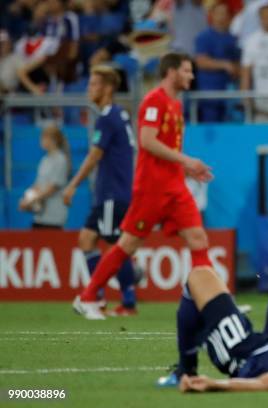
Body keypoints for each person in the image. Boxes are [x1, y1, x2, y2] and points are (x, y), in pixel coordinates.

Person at [72, 52, 213, 320]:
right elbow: (147, 141)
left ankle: (212, 304)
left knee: (199, 239)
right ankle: (88, 296)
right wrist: (186, 160)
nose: (191, 76)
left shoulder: (176, 104)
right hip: (152, 189)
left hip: (175, 187)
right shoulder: (154, 101)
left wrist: (185, 167)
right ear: (171, 72)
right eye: (186, 71)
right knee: (127, 244)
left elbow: (167, 148)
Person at [62, 65, 138, 316]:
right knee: (87, 239)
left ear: (107, 88)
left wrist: (72, 185)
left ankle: (123, 300)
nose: (89, 88)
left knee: (117, 246)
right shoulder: (120, 114)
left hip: (111, 193)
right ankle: (102, 297)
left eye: (93, 84)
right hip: (113, 192)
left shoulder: (107, 118)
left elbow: (95, 156)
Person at [194, 3, 240, 122]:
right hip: (209, 95)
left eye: (225, 14)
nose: (222, 17)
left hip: (229, 95)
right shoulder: (204, 37)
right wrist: (225, 65)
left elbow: (237, 65)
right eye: (218, 13)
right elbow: (201, 62)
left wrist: (235, 69)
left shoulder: (233, 39)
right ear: (212, 15)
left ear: (230, 17)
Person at [19, 124, 70, 229]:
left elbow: (52, 188)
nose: (41, 141)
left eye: (44, 138)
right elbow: (37, 185)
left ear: (53, 140)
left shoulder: (61, 160)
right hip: (39, 216)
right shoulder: (44, 160)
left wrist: (31, 200)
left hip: (54, 218)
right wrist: (27, 198)